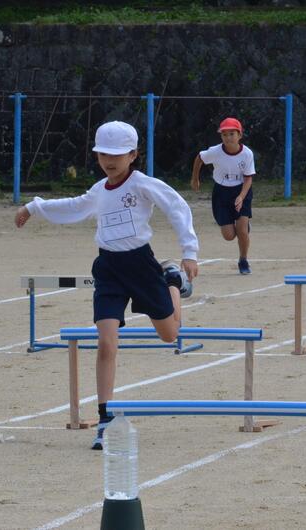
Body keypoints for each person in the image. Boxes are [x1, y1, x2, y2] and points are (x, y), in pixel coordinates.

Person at [15, 121, 199, 449]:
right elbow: (74, 207)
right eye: (103, 155)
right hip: (109, 269)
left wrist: (189, 252)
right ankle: (105, 418)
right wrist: (35, 206)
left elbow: (177, 207)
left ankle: (172, 280)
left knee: (170, 334)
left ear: (133, 155)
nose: (109, 161)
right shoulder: (99, 190)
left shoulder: (142, 185)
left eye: (117, 155)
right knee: (106, 342)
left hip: (141, 266)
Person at [191, 117, 256, 274]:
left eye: (232, 134)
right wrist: (195, 178)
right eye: (224, 134)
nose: (228, 138)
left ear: (240, 135)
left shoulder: (247, 154)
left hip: (241, 190)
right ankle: (241, 227)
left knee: (241, 230)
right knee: (229, 235)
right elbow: (199, 158)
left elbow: (248, 178)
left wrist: (241, 197)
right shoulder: (215, 151)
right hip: (221, 192)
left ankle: (243, 260)